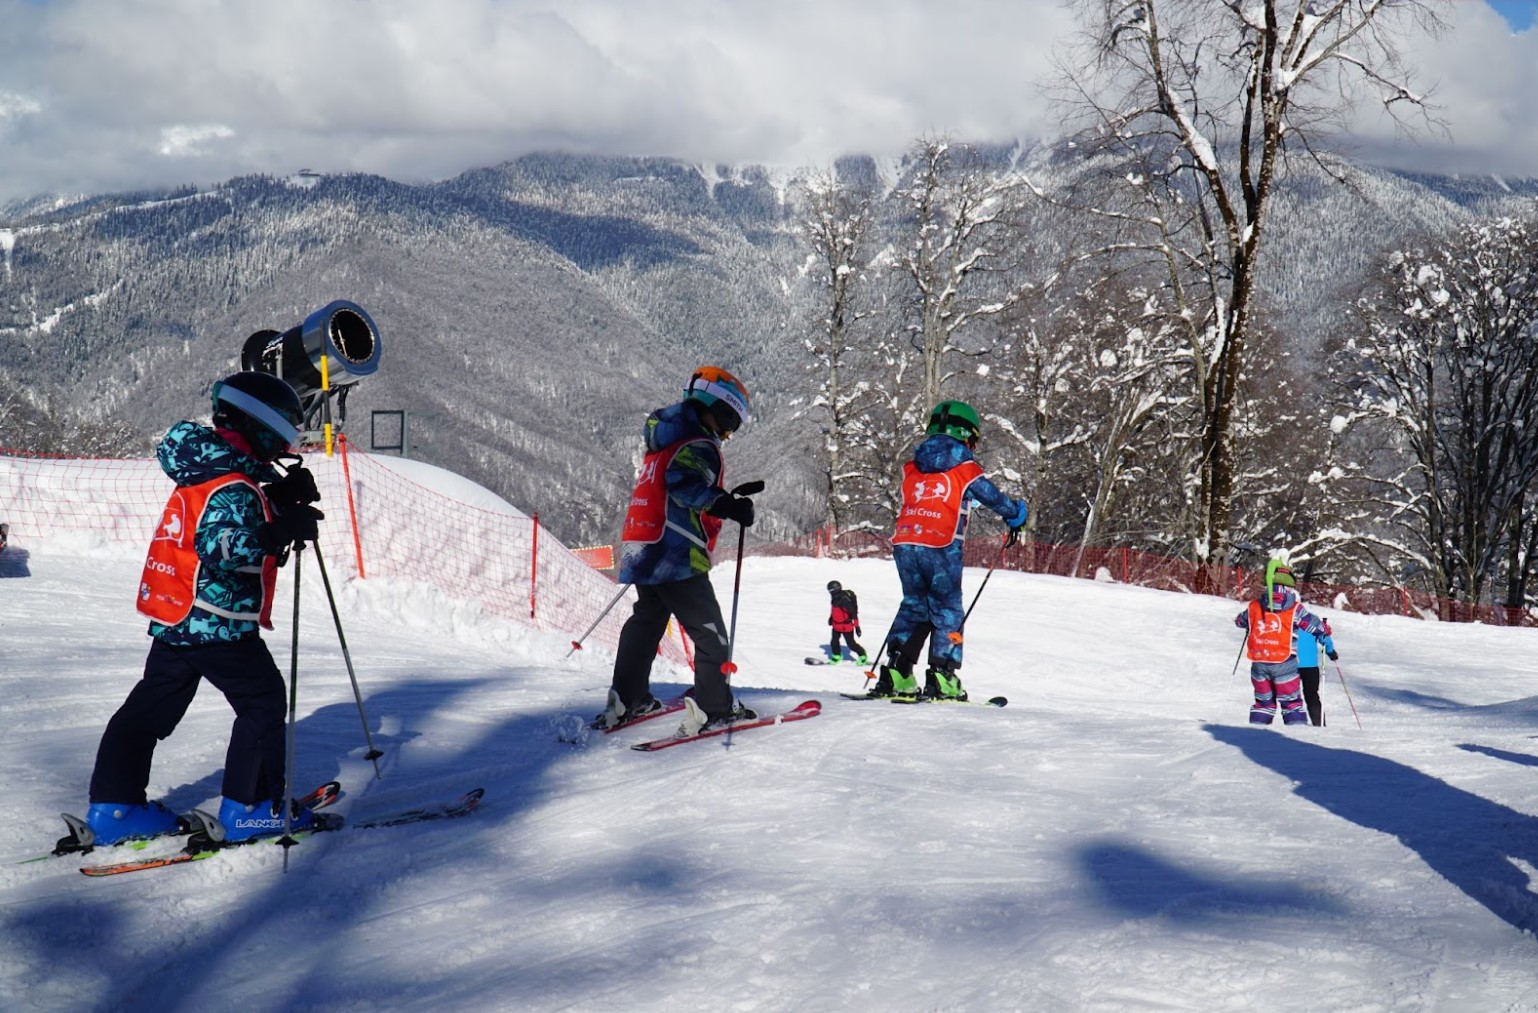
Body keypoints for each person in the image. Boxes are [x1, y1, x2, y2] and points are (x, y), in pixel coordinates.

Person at [77, 371, 325, 847]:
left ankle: (115, 806)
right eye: (282, 435)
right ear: (263, 427)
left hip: (176, 616)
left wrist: (275, 498)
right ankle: (249, 809)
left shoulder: (205, 466)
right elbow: (221, 546)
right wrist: (277, 533)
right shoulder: (233, 483)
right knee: (263, 701)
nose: (284, 446)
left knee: (149, 708)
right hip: (218, 621)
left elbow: (223, 503)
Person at [599, 365, 758, 736]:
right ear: (719, 410)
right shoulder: (698, 444)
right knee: (709, 632)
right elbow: (684, 484)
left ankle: (627, 698)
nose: (727, 434)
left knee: (647, 620)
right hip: (674, 552)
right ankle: (713, 708)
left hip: (643, 545)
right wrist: (728, 505)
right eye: (729, 424)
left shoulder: (663, 440)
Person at [873, 400, 1028, 701]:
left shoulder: (913, 466)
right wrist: (1014, 513)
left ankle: (897, 672)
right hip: (941, 546)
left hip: (906, 542)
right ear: (967, 435)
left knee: (915, 605)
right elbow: (991, 496)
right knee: (946, 608)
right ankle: (943, 676)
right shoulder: (965, 468)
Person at [1233, 560, 1329, 726]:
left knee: (1263, 703)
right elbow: (1314, 626)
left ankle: (1256, 734)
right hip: (1285, 663)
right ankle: (1295, 738)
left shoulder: (1254, 606)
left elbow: (1240, 621)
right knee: (1291, 703)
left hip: (1259, 663)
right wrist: (1324, 629)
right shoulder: (1294, 608)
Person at [826, 580, 867, 663]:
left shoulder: (844, 600)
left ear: (834, 590)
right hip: (836, 625)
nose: (830, 593)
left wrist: (857, 627)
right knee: (834, 642)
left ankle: (862, 655)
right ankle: (837, 656)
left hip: (846, 626)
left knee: (851, 644)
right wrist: (831, 618)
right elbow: (835, 610)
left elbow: (853, 613)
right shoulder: (834, 598)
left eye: (830, 590)